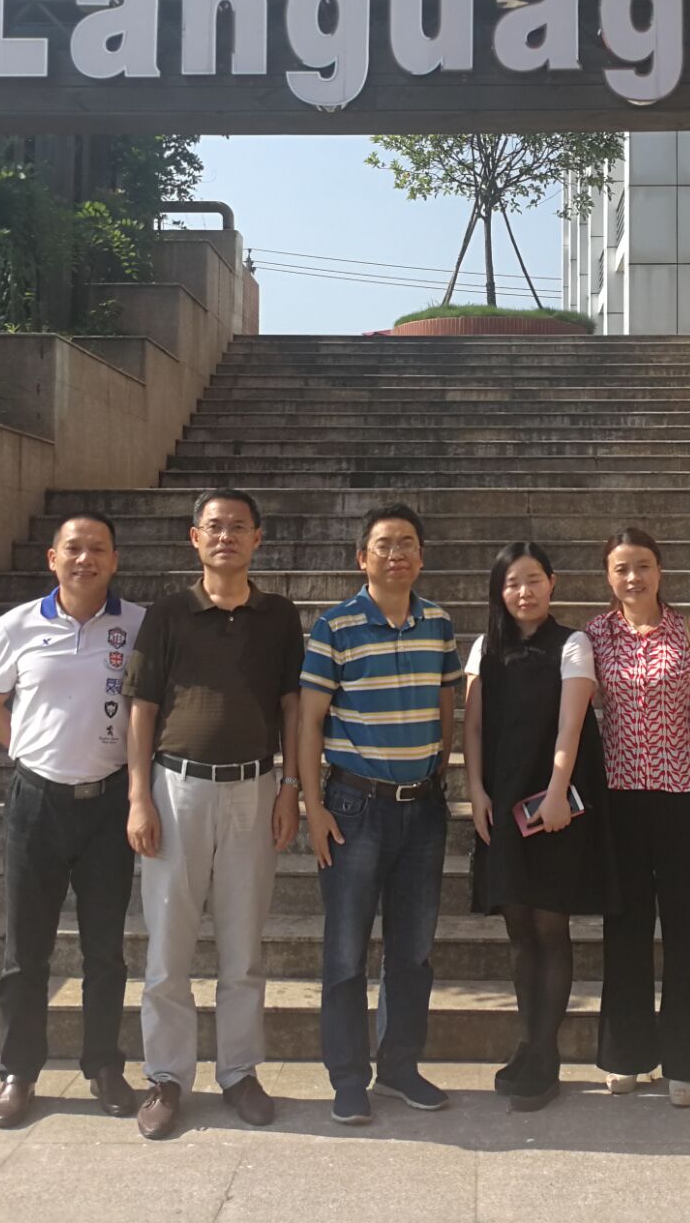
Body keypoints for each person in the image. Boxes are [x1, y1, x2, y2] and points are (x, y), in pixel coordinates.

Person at [121, 487, 303, 1139]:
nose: (226, 536)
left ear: (258, 538)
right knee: (168, 949)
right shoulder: (168, 614)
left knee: (243, 946)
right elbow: (141, 708)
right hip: (177, 790)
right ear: (195, 538)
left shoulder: (279, 616)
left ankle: (239, 1072)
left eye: (238, 527)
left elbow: (292, 707)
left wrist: (291, 788)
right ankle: (167, 1078)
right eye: (214, 526)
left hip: (254, 790)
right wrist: (138, 796)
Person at [0, 511, 143, 1129]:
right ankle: (18, 1073)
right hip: (36, 804)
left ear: (114, 560)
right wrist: (28, 752)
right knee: (26, 951)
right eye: (74, 548)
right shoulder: (17, 625)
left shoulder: (138, 625)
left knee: (105, 951)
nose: (85, 559)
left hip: (109, 805)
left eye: (98, 549)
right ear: (53, 558)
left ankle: (103, 1066)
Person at [298, 501, 461, 1125]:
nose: (397, 554)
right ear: (362, 557)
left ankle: (399, 1066)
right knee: (345, 953)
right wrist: (314, 807)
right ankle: (347, 1077)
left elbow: (446, 706)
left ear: (422, 556)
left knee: (412, 950)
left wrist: (437, 773)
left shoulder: (437, 623)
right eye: (385, 544)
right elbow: (310, 723)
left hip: (421, 808)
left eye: (408, 544)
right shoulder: (334, 626)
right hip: (353, 807)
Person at [583, 526, 690, 1107]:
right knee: (624, 931)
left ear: (660, 571)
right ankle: (625, 1054)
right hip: (620, 802)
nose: (634, 578)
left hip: (685, 801)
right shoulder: (595, 636)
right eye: (622, 568)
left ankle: (688, 1060)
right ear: (608, 577)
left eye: (643, 566)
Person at [463, 541, 615, 1112]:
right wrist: (475, 791)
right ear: (498, 591)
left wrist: (555, 794)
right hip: (503, 801)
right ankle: (526, 1043)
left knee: (550, 926)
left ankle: (547, 1054)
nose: (523, 592)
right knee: (518, 928)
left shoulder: (572, 644)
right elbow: (472, 727)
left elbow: (571, 726)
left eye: (533, 580)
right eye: (512, 583)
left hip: (556, 803)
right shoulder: (486, 646)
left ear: (552, 583)